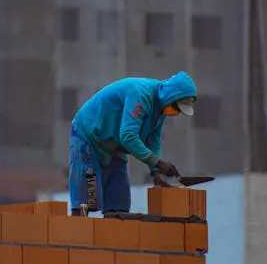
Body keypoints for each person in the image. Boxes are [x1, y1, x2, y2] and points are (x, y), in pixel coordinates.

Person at [69, 71, 197, 215]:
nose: (174, 113)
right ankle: (77, 234)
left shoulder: (161, 109)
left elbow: (154, 139)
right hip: (89, 138)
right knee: (87, 200)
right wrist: (158, 163)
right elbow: (128, 136)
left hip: (114, 146)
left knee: (119, 204)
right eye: (175, 109)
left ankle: (113, 235)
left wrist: (156, 172)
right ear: (170, 96)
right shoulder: (141, 94)